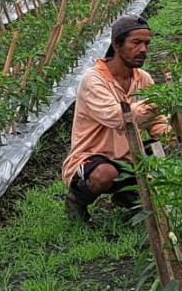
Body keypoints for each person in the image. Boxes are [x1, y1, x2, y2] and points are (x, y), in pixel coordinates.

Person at [62, 15, 169, 222]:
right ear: (116, 44)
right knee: (104, 174)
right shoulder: (94, 80)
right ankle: (76, 200)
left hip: (130, 157)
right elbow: (119, 118)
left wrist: (170, 136)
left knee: (167, 149)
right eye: (136, 43)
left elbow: (156, 121)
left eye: (147, 43)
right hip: (92, 156)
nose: (144, 49)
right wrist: (160, 101)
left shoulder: (142, 78)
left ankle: (125, 195)